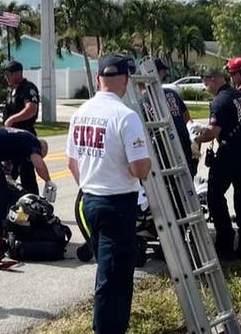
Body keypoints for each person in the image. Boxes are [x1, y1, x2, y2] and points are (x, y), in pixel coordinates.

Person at [67, 54, 152, 334]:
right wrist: (149, 161)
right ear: (125, 81)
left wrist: (93, 183)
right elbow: (139, 168)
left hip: (89, 201)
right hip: (117, 204)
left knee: (107, 270)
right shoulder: (126, 117)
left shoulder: (80, 113)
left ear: (98, 79)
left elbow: (72, 162)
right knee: (115, 278)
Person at [195, 68, 241, 260]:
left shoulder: (219, 102)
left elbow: (212, 132)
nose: (206, 88)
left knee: (214, 195)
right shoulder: (237, 94)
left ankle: (225, 241)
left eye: (206, 84)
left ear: (213, 80)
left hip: (229, 154)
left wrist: (196, 138)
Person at [2, 60, 42, 192]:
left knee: (27, 176)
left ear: (18, 73)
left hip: (25, 137)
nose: (6, 77)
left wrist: (12, 119)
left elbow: (31, 109)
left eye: (8, 74)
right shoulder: (11, 90)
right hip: (11, 138)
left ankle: (33, 206)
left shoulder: (28, 88)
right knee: (5, 176)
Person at [156, 59, 197, 175]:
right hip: (176, 143)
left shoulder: (167, 94)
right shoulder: (171, 94)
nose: (164, 75)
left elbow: (186, 117)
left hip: (169, 146)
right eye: (163, 71)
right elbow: (187, 117)